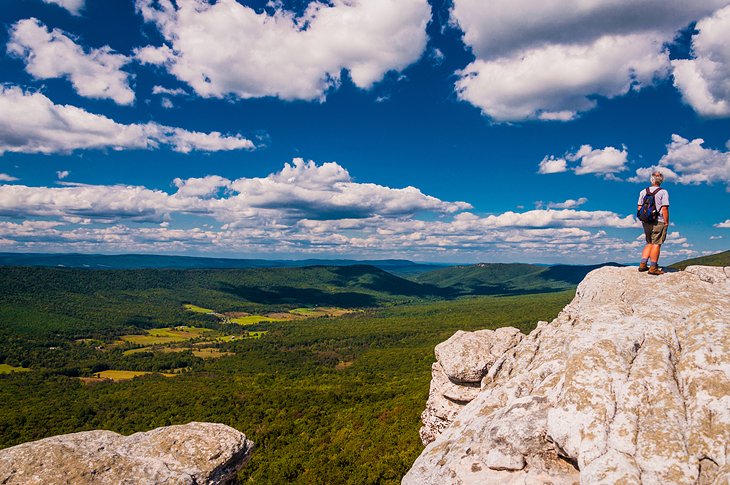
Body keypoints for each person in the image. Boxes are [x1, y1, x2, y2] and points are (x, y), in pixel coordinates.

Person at [637, 171, 669, 275]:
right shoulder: (663, 192)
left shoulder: (643, 191)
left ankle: (643, 264)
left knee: (649, 242)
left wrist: (643, 218)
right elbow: (664, 208)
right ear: (661, 180)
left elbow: (639, 207)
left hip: (646, 221)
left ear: (651, 180)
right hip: (658, 220)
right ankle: (653, 267)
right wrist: (666, 222)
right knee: (656, 244)